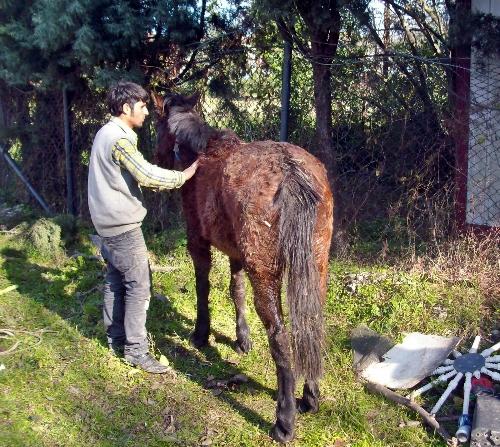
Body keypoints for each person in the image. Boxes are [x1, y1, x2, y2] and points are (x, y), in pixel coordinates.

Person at [88, 81, 198, 373]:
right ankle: (136, 351)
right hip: (121, 226)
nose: (148, 112)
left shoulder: (105, 133)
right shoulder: (119, 139)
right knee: (139, 286)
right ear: (126, 108)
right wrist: (184, 175)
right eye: (143, 106)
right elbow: (146, 174)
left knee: (115, 279)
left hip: (105, 223)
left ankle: (116, 340)